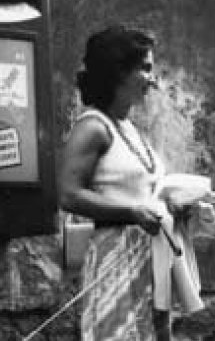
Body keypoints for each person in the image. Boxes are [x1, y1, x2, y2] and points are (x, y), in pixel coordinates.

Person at [58, 25, 172, 340]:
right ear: (119, 72)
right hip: (115, 259)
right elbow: (68, 194)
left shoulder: (128, 127)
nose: (153, 79)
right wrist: (133, 211)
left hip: (146, 258)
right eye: (145, 68)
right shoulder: (93, 127)